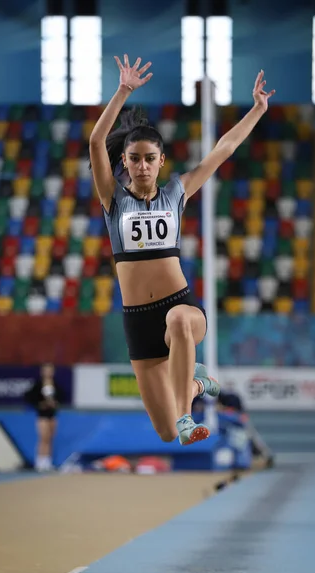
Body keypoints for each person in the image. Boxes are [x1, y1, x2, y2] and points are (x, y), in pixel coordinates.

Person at [89, 54, 275, 446]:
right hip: (137, 320)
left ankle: (188, 415)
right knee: (163, 431)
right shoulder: (113, 201)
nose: (142, 166)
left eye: (150, 159)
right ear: (124, 160)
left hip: (181, 306)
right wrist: (123, 90)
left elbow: (223, 149)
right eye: (135, 159)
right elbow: (94, 142)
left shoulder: (176, 192)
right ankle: (194, 384)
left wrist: (257, 109)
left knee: (178, 322)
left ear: (161, 162)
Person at [24, 363, 65, 472]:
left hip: (52, 414)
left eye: (50, 370)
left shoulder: (55, 385)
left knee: (50, 438)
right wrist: (40, 404)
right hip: (42, 415)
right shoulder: (38, 385)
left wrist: (55, 403)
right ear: (42, 372)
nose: (48, 372)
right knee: (43, 438)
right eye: (46, 370)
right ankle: (40, 461)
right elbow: (29, 397)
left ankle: (47, 461)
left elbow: (62, 397)